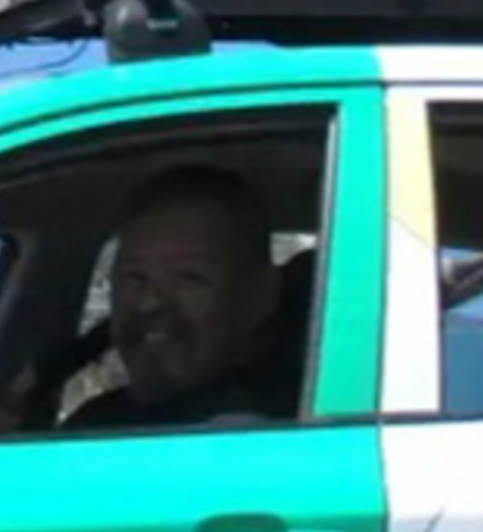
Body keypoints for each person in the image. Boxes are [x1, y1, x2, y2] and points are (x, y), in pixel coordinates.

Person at [61, 165, 305, 432]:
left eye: (188, 279)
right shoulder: (97, 423)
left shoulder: (263, 433)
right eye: (134, 278)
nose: (149, 302)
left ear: (260, 295)